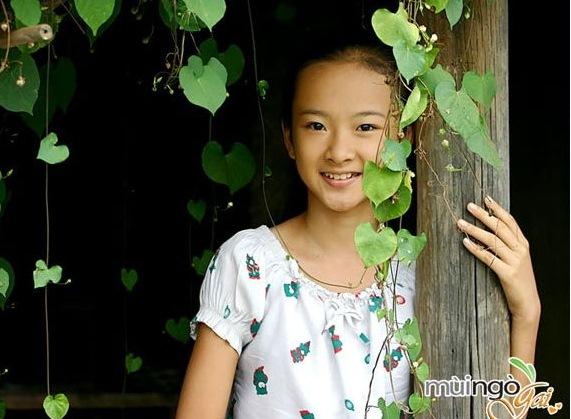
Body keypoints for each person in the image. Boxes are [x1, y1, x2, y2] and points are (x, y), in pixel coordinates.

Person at [174, 43, 541, 419]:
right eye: (316, 126)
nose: (339, 151)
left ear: (404, 137)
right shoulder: (251, 266)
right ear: (288, 137)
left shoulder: (421, 277)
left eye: (365, 127)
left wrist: (526, 314)